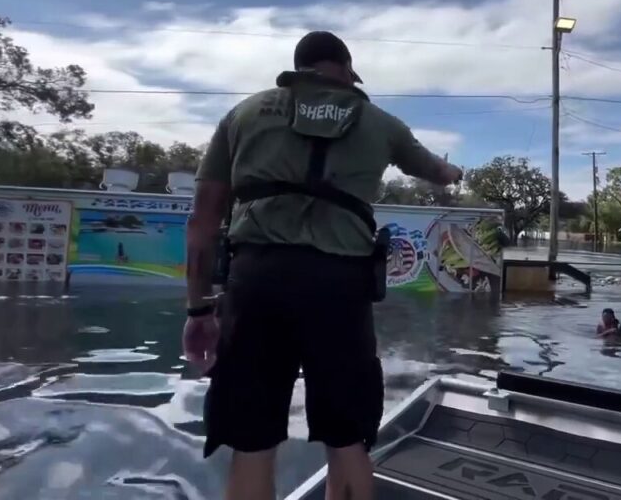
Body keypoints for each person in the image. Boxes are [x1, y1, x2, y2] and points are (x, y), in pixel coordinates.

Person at [183, 31, 462, 500]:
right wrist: (452, 173)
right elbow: (434, 170)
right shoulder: (379, 122)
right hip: (340, 286)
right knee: (347, 439)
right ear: (348, 71)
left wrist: (197, 311)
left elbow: (203, 219)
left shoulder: (244, 114)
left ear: (298, 68)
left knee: (251, 443)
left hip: (257, 282)